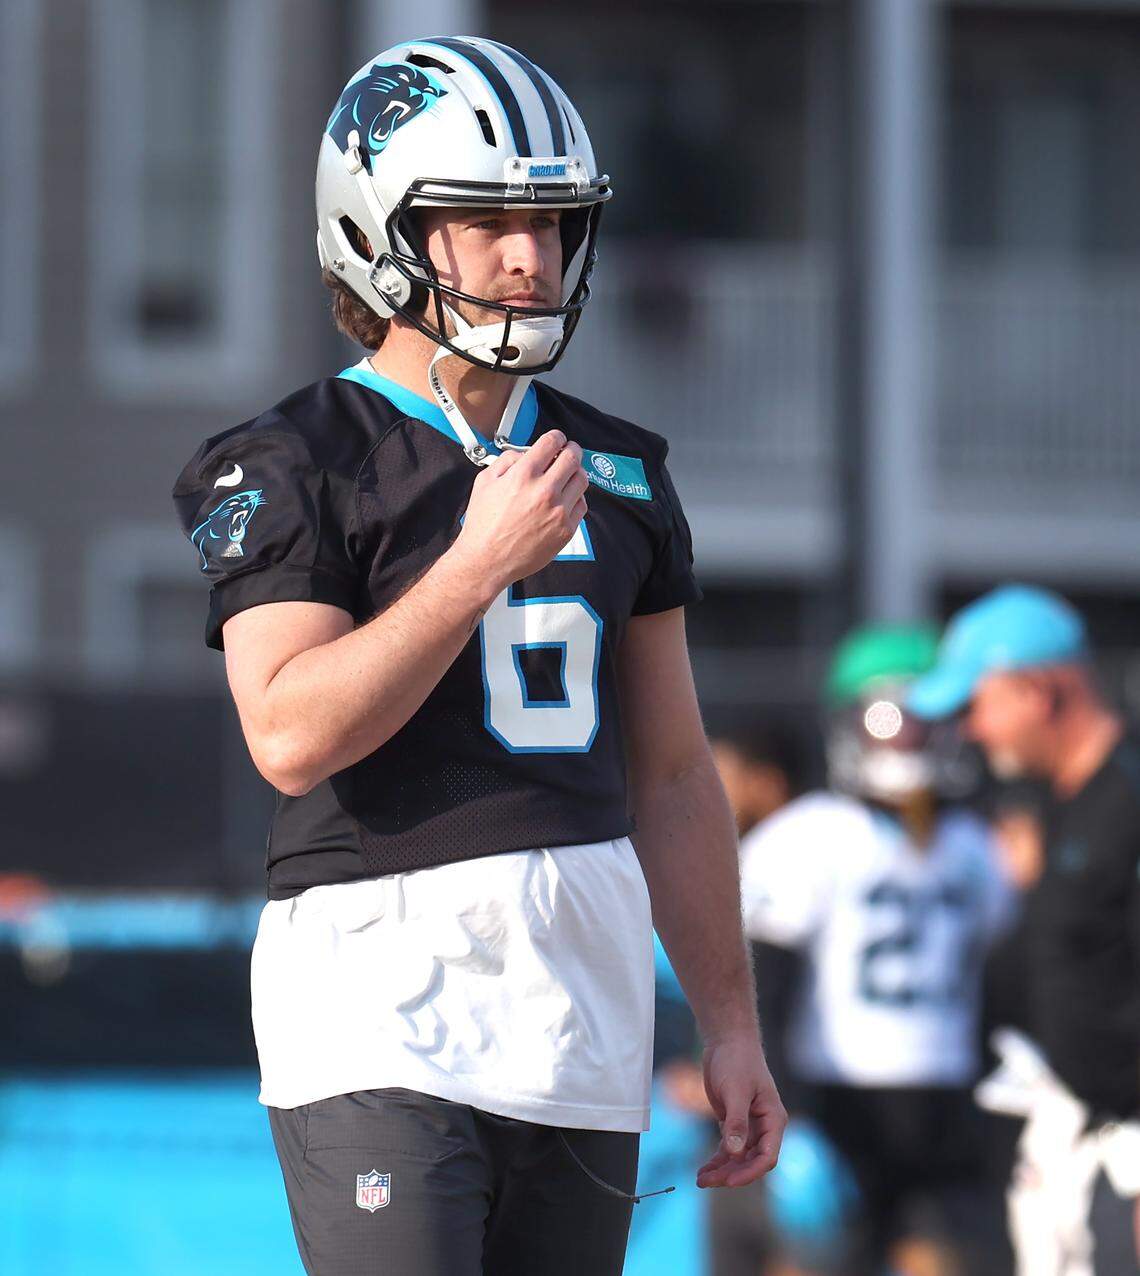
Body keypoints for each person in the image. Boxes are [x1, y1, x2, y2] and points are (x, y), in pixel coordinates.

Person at [172, 37, 784, 1276]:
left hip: (583, 996)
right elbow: (289, 734)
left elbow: (669, 772)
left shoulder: (619, 467)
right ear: (379, 228)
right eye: (486, 221)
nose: (529, 257)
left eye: (552, 223)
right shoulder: (295, 458)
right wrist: (473, 562)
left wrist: (729, 1021)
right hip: (378, 989)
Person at [738, 625, 1013, 1275]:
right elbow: (760, 986)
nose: (904, 736)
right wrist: (788, 1112)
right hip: (836, 1098)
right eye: (887, 715)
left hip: (947, 1101)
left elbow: (1002, 988)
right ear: (848, 721)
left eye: (921, 717)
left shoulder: (977, 848)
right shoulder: (807, 837)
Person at [909, 584, 1140, 1276]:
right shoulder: (1058, 802)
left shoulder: (1126, 803)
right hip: (1073, 1140)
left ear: (1039, 693)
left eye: (980, 706)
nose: (973, 731)